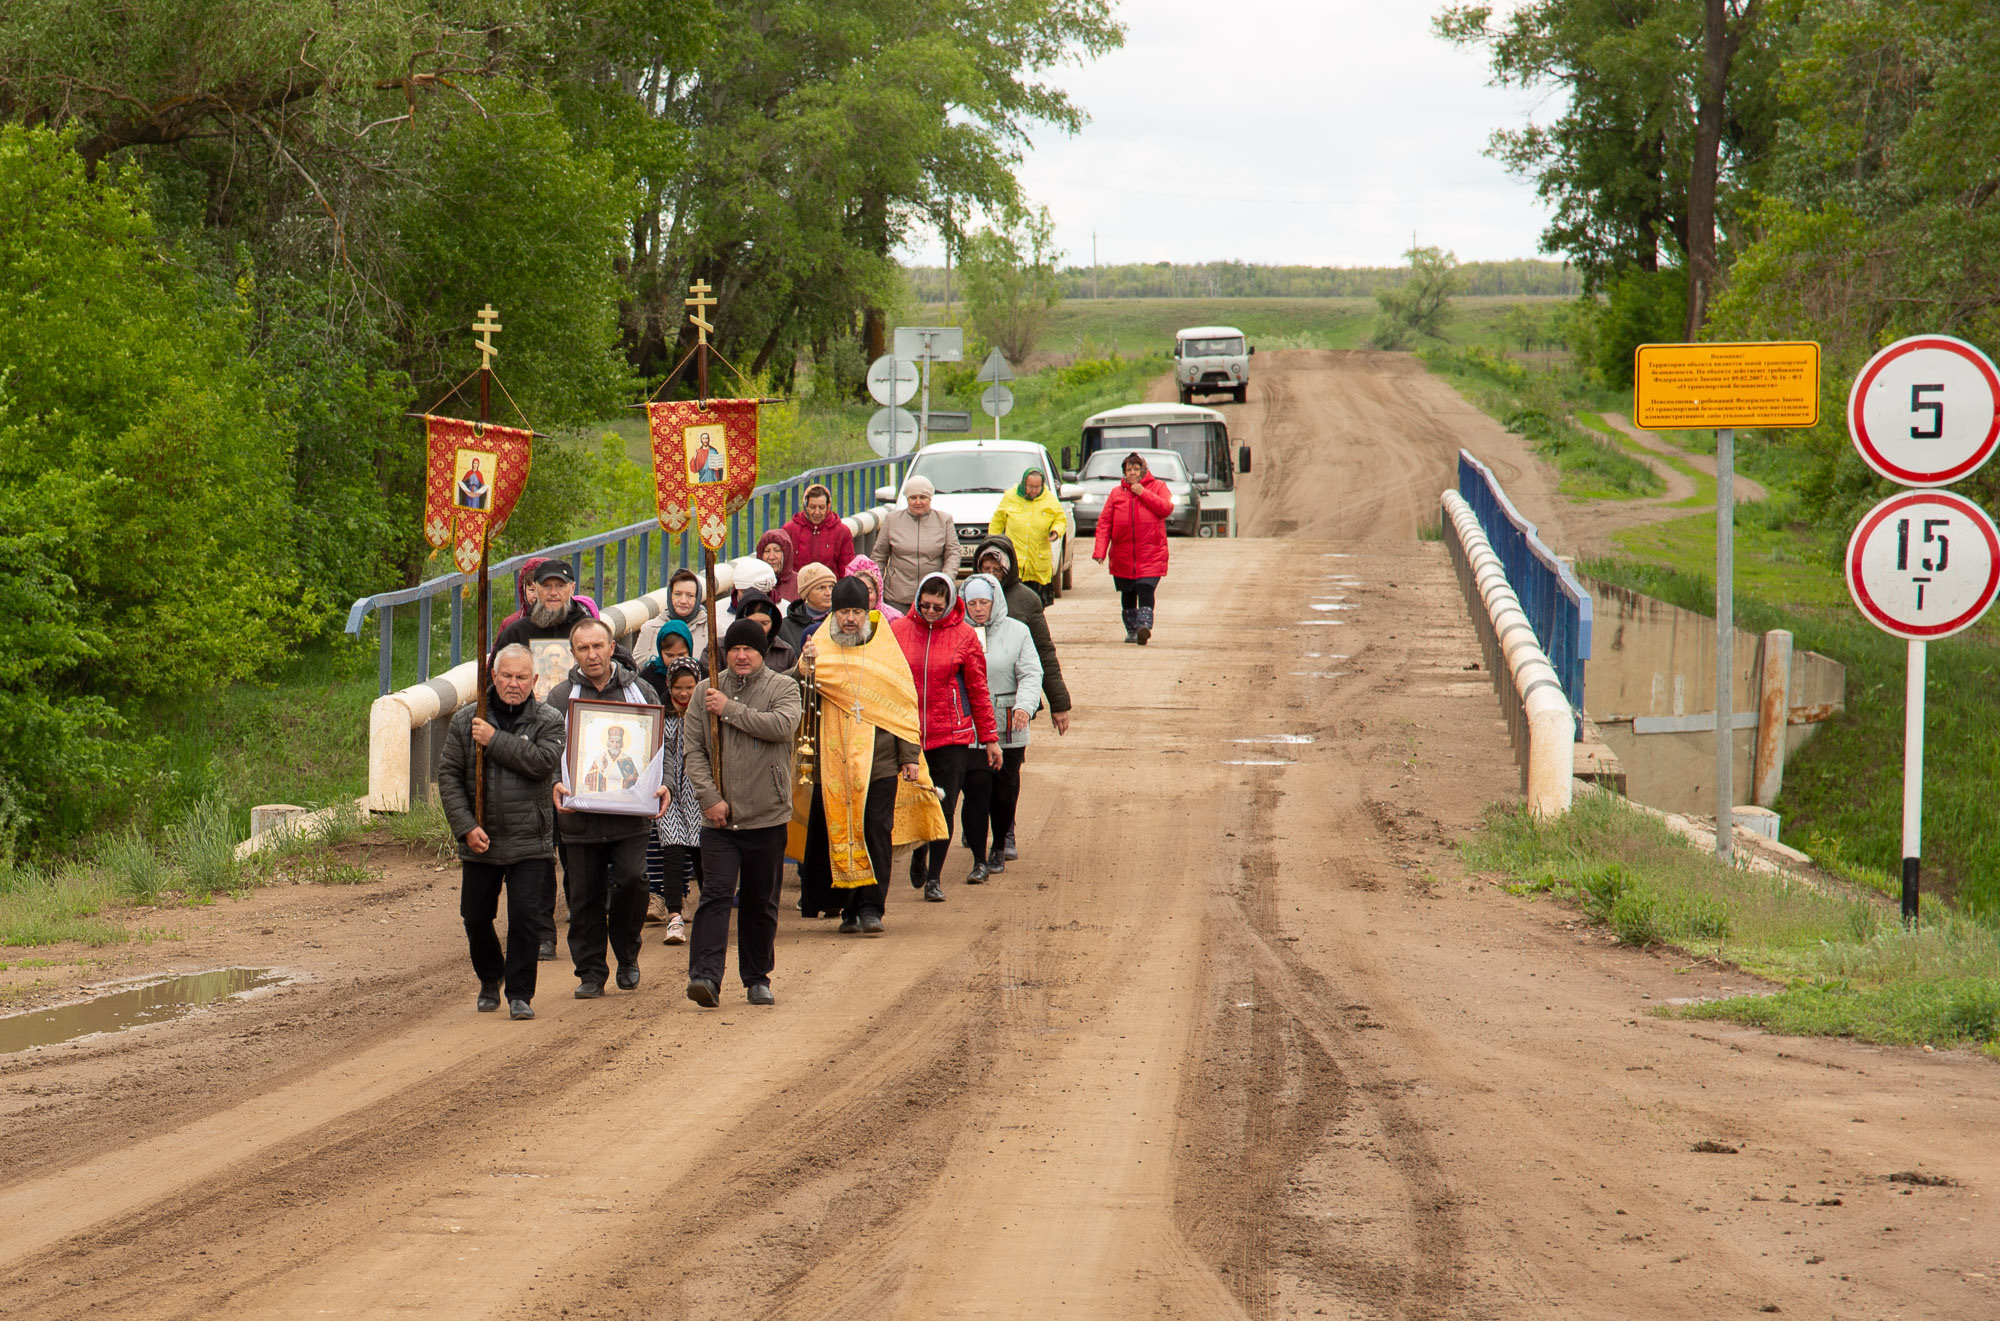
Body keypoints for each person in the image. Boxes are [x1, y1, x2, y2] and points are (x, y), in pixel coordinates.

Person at [792, 577, 938, 932]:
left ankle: (872, 908)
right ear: (833, 614)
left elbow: (902, 705)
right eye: (843, 612)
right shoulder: (819, 649)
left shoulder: (885, 650)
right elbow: (800, 699)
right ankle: (848, 910)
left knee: (875, 830)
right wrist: (804, 670)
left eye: (856, 612)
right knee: (841, 830)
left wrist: (909, 756)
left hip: (880, 762)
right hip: (834, 762)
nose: (850, 619)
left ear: (867, 612)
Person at [438, 644, 565, 1021]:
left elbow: (542, 763)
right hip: (482, 839)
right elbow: (448, 776)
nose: (513, 683)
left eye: (521, 677)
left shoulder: (549, 719)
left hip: (530, 841)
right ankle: (490, 976)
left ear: (534, 680)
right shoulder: (466, 720)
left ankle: (520, 994)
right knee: (475, 917)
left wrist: (493, 740)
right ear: (493, 677)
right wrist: (465, 827)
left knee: (526, 919)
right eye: (506, 675)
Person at [684, 618, 803, 1008]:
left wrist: (729, 709)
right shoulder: (705, 691)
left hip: (767, 815)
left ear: (762, 651)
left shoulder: (783, 687)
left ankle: (757, 978)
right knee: (715, 895)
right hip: (719, 820)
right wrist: (709, 798)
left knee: (760, 900)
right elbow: (693, 751)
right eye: (734, 648)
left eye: (748, 648)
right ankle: (705, 977)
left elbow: (782, 726)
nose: (740, 655)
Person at [547, 618, 666, 999]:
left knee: (633, 880)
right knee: (584, 894)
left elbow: (661, 745)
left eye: (598, 646)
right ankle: (590, 972)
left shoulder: (640, 691)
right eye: (583, 648)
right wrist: (555, 781)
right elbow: (548, 747)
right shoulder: (560, 697)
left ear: (612, 648)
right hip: (579, 817)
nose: (592, 654)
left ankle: (627, 953)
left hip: (630, 815)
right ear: (573, 653)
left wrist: (664, 783)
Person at [891, 573, 1001, 901]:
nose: (930, 612)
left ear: (950, 604)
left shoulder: (965, 636)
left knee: (944, 805)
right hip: (908, 733)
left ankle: (934, 878)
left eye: (937, 607)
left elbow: (978, 689)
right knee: (913, 800)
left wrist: (990, 738)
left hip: (951, 736)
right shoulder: (898, 631)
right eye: (924, 605)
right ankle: (919, 850)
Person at [968, 536, 1072, 861]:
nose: (990, 574)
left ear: (1008, 568)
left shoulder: (1026, 601)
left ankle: (1005, 830)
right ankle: (976, 825)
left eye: (996, 569)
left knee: (1006, 776)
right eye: (984, 568)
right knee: (975, 776)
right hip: (973, 713)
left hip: (1013, 707)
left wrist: (1058, 703)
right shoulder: (967, 605)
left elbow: (1043, 654)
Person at [957, 575, 1042, 879]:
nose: (979, 609)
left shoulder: (1017, 631)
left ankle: (1000, 843)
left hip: (1008, 724)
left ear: (995, 602)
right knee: (976, 789)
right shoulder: (958, 632)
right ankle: (979, 853)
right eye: (972, 603)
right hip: (970, 727)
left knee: (1004, 792)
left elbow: (1031, 672)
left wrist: (1024, 706)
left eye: (984, 602)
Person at [643, 656, 705, 945]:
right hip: (669, 797)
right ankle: (674, 917)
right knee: (673, 853)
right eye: (678, 687)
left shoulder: (706, 716)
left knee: (703, 856)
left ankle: (710, 914)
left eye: (690, 687)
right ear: (669, 686)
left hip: (700, 796)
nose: (684, 693)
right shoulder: (661, 717)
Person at [1091, 452, 1173, 645]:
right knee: (1128, 592)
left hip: (1151, 553)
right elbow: (1105, 523)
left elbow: (1166, 508)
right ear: (1124, 472)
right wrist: (1100, 551)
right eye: (1129, 469)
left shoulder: (1158, 487)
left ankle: (1144, 625)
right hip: (1123, 555)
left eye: (1137, 468)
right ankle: (1131, 630)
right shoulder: (1116, 493)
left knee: (1145, 587)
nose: (1133, 472)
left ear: (1144, 470)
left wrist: (1142, 492)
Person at [873, 475, 961, 612]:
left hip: (933, 596)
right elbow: (879, 555)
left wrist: (945, 579)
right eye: (913, 498)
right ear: (907, 499)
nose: (918, 502)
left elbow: (953, 553)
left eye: (922, 497)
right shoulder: (892, 520)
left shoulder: (944, 520)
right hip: (897, 596)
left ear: (930, 498)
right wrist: (876, 586)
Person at [987, 468, 1065, 603]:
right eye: (1030, 487)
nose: (1034, 491)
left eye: (1037, 487)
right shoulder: (1010, 497)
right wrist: (992, 543)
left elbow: (1060, 519)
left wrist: (1056, 531)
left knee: (1036, 605)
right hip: (1015, 564)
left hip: (1037, 566)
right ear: (1024, 484)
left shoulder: (1050, 499)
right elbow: (997, 521)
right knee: (1014, 603)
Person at [497, 556, 601, 633]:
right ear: (536, 588)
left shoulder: (586, 627)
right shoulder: (515, 630)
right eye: (546, 586)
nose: (553, 593)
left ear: (572, 588)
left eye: (560, 586)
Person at [781, 482, 855, 577]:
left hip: (831, 585)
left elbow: (846, 569)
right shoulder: (789, 530)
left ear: (828, 506)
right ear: (805, 506)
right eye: (812, 507)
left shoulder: (842, 532)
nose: (817, 512)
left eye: (821, 508)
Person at [777, 562, 836, 659]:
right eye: (821, 588)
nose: (828, 593)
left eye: (831, 586)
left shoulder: (841, 622)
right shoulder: (784, 628)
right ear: (806, 593)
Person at [731, 589, 796, 673]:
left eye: (764, 623)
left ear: (773, 624)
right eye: (753, 623)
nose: (759, 628)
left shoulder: (785, 652)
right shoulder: (722, 649)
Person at [844, 554, 903, 621]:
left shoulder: (894, 619)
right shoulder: (841, 619)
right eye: (858, 591)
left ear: (877, 592)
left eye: (868, 591)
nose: (863, 597)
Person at [753, 527, 800, 607]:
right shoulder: (753, 582)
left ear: (786, 554)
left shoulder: (799, 583)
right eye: (767, 551)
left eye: (777, 551)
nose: (771, 557)